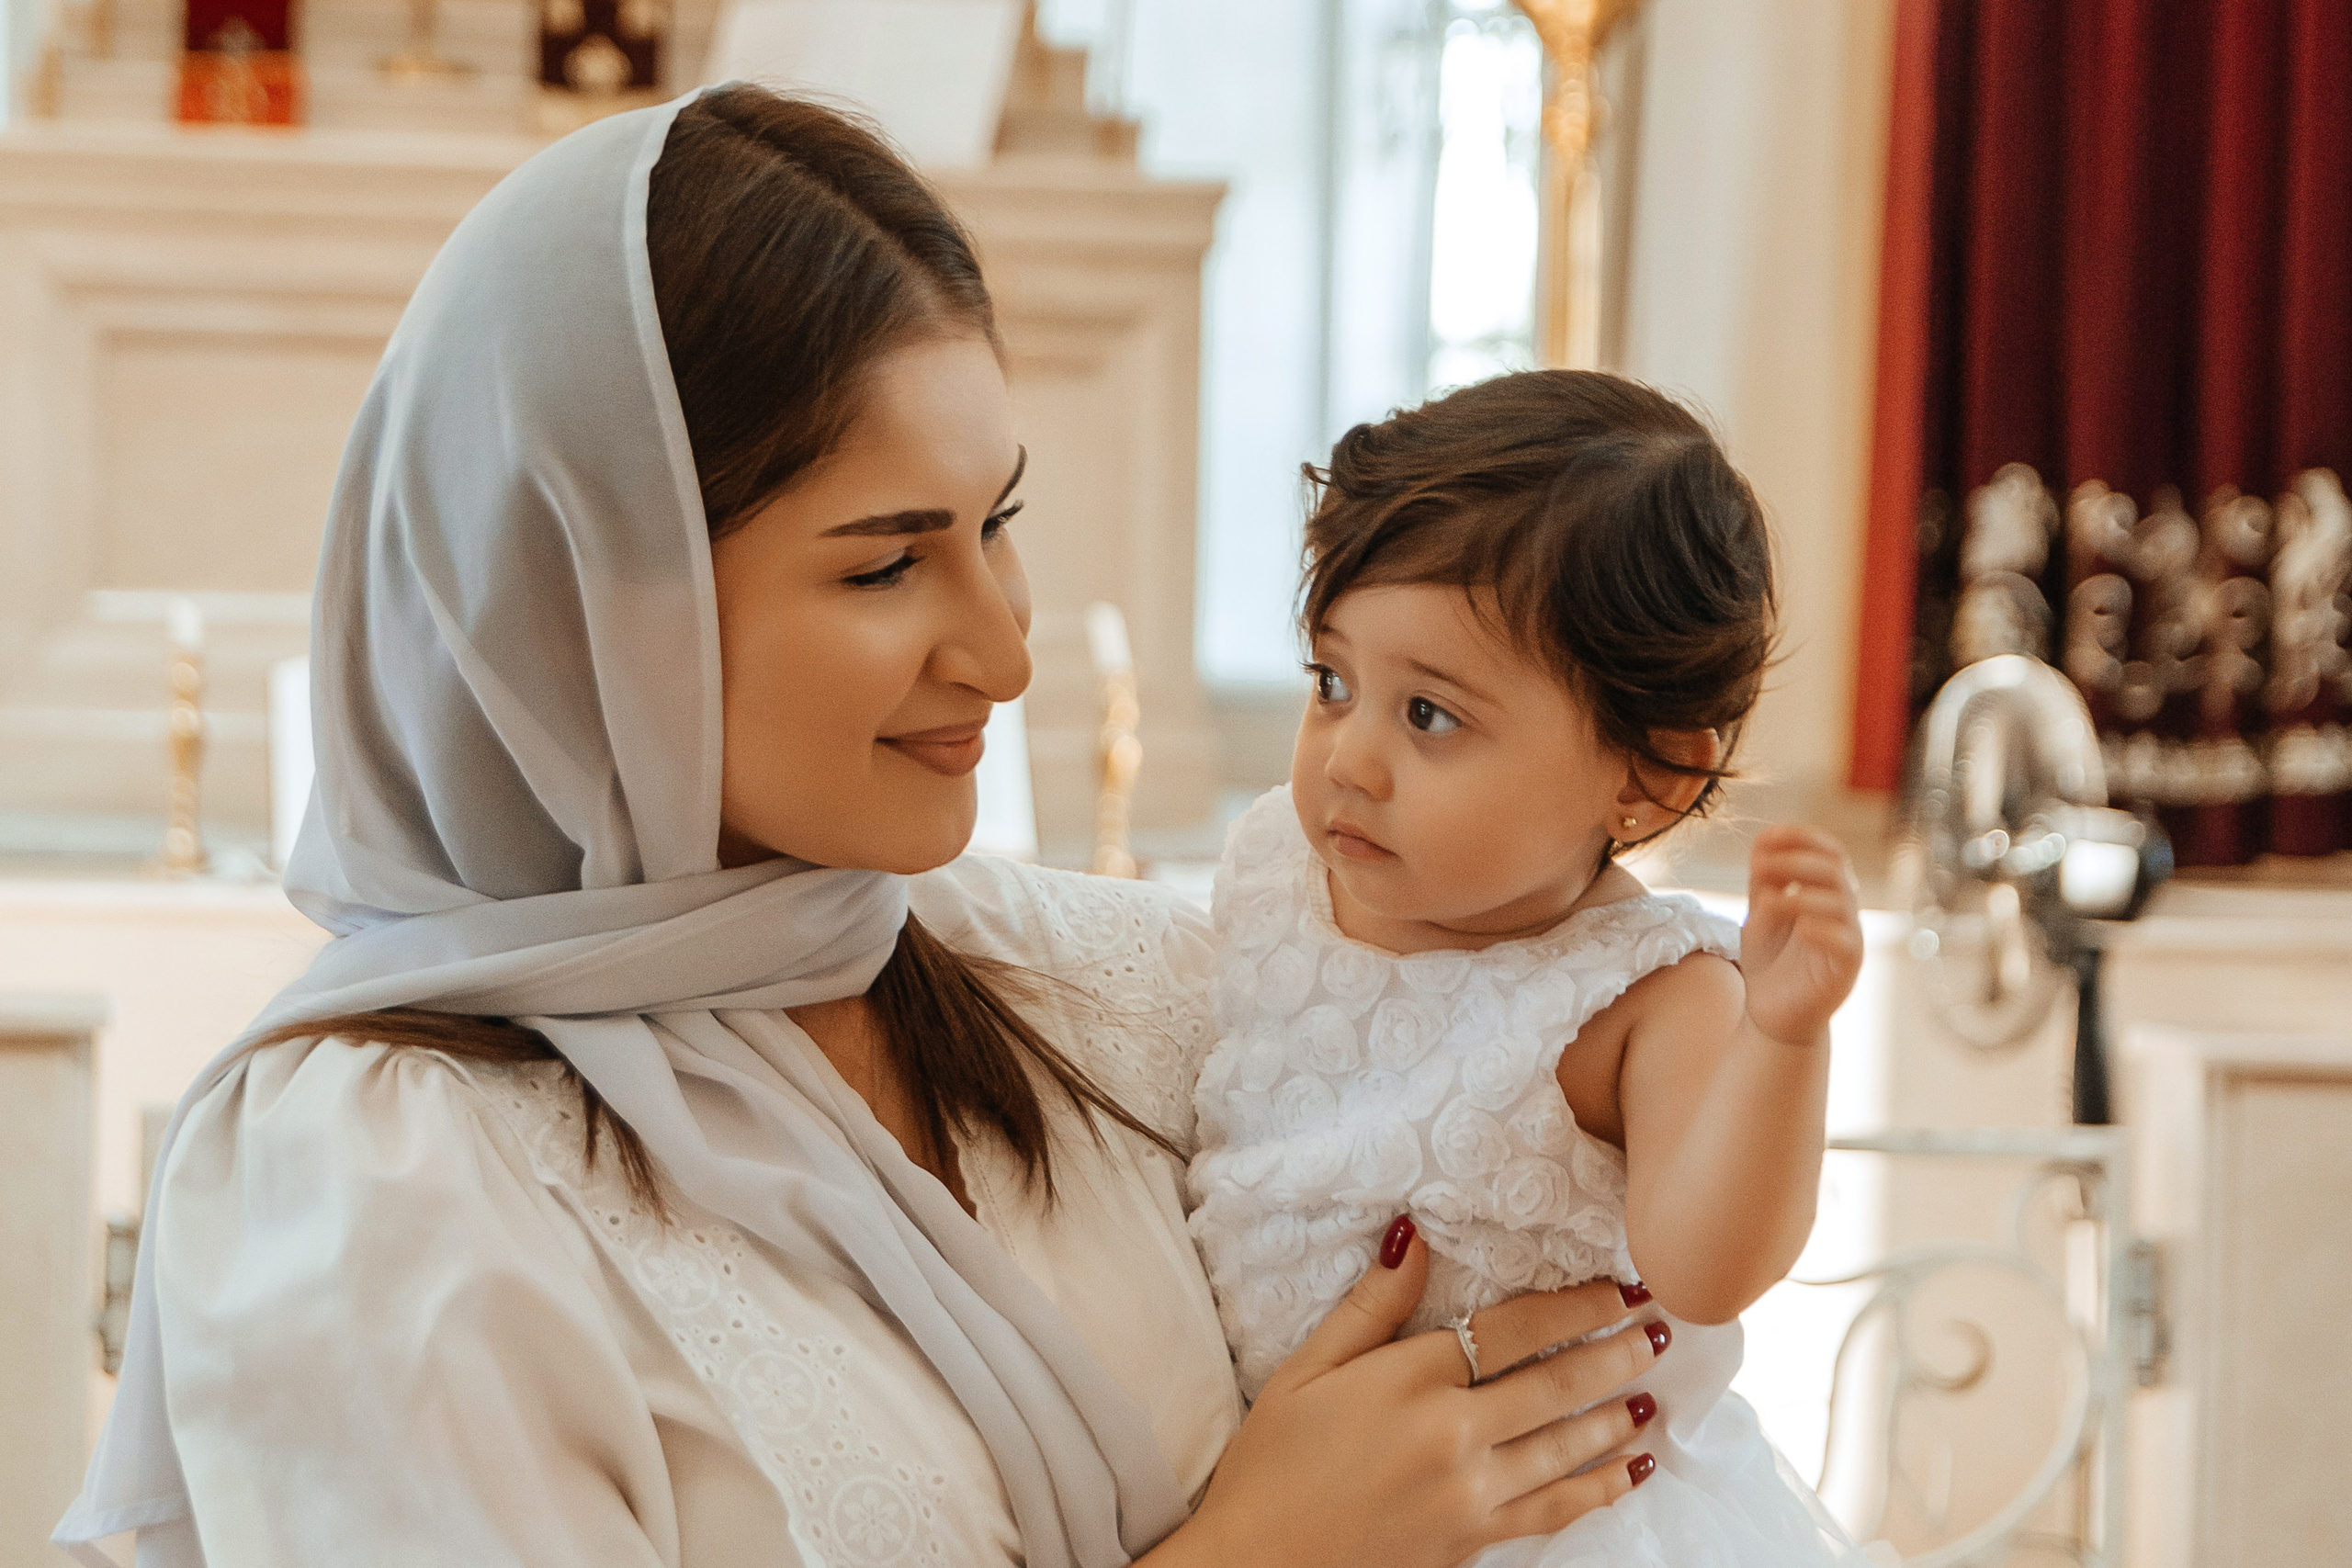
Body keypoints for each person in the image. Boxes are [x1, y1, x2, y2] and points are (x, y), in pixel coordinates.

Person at [55, 87, 1668, 1568]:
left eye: (998, 523)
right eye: (887, 563)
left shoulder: (1109, 989)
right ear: (598, 612)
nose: (1008, 652)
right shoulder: (375, 1178)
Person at [1188, 371, 1883, 1565]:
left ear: (1648, 775)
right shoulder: (1272, 869)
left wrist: (1783, 1038)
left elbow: (1707, 1268)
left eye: (1430, 718)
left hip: (1552, 1530)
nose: (1348, 758)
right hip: (1293, 1497)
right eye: (1332, 683)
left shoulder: (1644, 994)